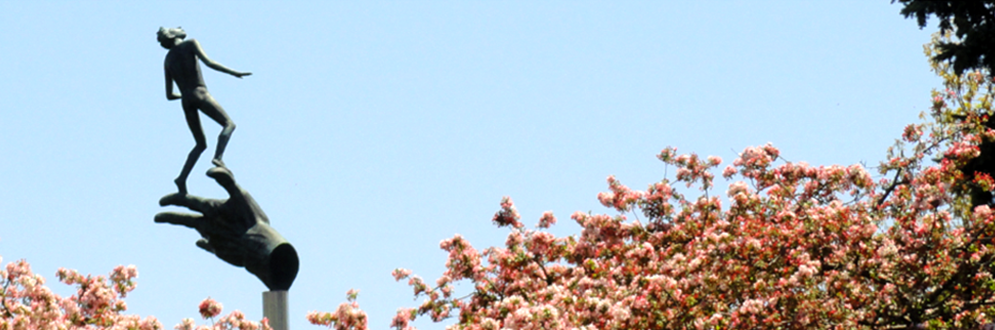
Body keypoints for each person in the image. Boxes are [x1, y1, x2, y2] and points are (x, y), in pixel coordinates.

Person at [158, 27, 251, 194]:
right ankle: (218, 158)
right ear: (172, 34)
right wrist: (234, 72)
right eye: (176, 28)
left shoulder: (167, 59)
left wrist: (186, 94)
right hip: (200, 93)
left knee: (200, 144)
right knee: (229, 124)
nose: (181, 28)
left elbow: (169, 95)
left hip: (186, 101)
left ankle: (182, 178)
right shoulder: (190, 44)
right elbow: (209, 63)